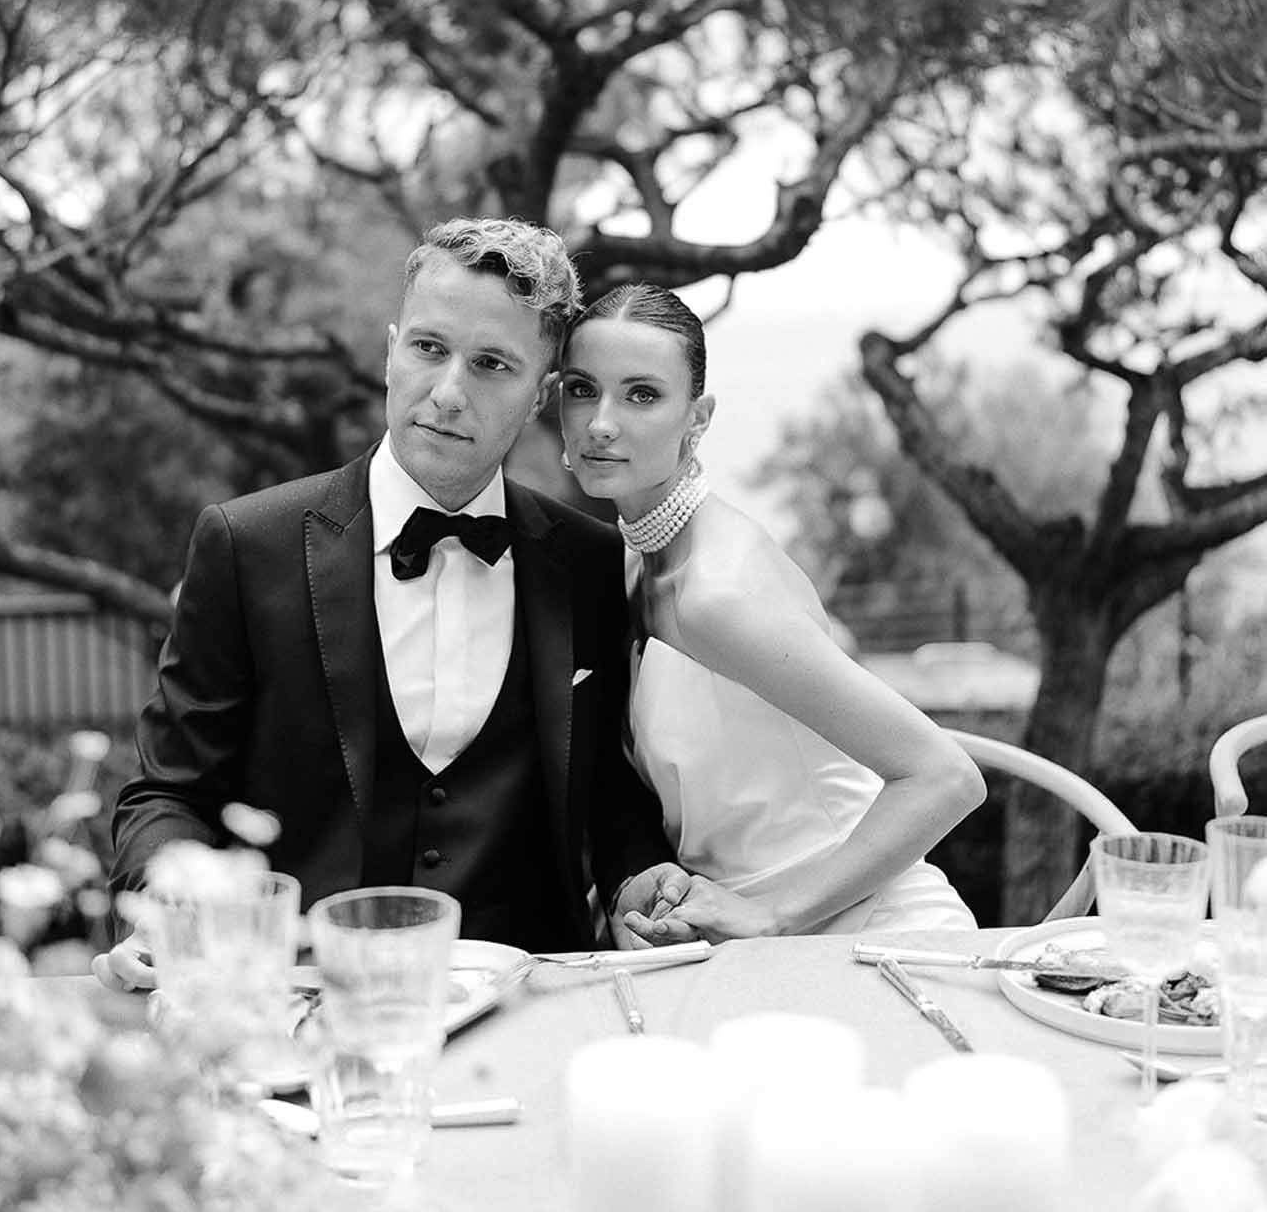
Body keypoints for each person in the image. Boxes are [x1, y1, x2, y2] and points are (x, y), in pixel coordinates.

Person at [94, 219, 692, 991]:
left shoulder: (588, 559)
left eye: (491, 365)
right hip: (301, 1001)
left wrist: (636, 878)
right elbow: (168, 793)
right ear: (389, 350)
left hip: (532, 995)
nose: (447, 392)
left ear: (540, 394)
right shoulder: (249, 544)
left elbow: (608, 793)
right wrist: (168, 908)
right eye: (428, 348)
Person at [557, 282, 988, 941]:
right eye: (583, 389)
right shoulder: (633, 564)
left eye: (642, 394)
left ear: (697, 420)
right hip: (730, 950)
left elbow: (945, 777)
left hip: (866, 935)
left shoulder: (717, 592)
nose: (601, 422)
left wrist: (774, 914)